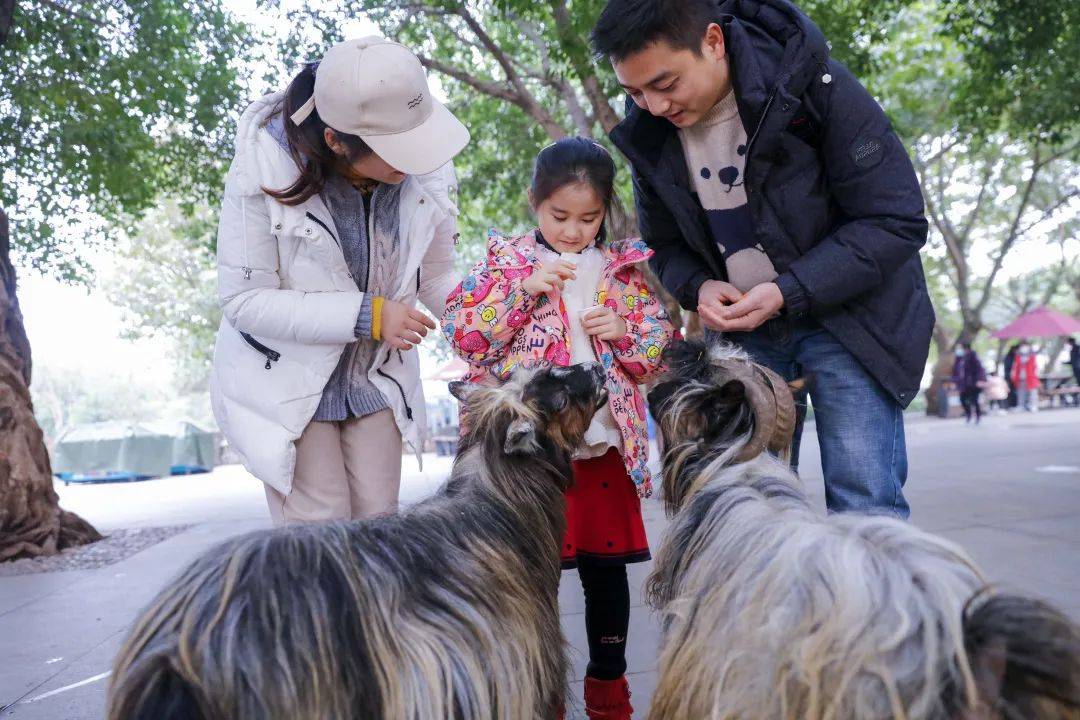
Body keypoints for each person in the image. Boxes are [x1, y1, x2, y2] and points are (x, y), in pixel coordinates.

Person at [593, 0, 932, 518]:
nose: (654, 106)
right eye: (634, 92)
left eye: (666, 84)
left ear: (712, 42)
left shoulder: (815, 87)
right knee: (751, 508)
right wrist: (699, 287)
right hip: (746, 343)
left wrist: (788, 290)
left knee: (866, 506)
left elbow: (894, 219)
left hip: (851, 326)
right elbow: (663, 245)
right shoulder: (650, 135)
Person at [443, 137, 675, 720]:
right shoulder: (504, 263)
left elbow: (653, 354)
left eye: (589, 218)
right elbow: (466, 337)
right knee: (527, 576)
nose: (574, 231)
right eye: (560, 216)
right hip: (525, 459)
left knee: (606, 574)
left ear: (606, 211)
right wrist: (523, 293)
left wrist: (624, 330)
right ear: (534, 203)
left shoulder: (623, 271)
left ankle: (609, 696)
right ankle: (539, 698)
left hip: (601, 450)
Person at [210, 37, 469, 525]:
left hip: (374, 379)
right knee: (320, 538)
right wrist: (367, 315)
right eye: (396, 151)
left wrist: (492, 323)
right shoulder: (263, 164)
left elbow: (436, 277)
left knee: (378, 528)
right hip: (288, 381)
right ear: (337, 141)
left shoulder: (425, 165)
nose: (414, 161)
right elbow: (243, 298)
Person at [951, 342, 986, 424]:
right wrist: (954, 381)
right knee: (962, 400)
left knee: (974, 400)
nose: (959, 350)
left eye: (961, 348)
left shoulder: (973, 356)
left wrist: (979, 380)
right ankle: (968, 414)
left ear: (966, 349)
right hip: (963, 384)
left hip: (973, 383)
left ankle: (978, 416)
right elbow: (955, 372)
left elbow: (979, 369)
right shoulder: (959, 359)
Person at [1010, 343, 1040, 412]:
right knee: (1021, 392)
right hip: (1021, 377)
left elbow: (1035, 367)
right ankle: (1021, 405)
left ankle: (1033, 405)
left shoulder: (1032, 357)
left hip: (1031, 378)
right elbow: (1015, 368)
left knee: (1033, 393)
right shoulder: (1017, 358)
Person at [1002, 343, 1020, 409]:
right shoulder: (1009, 357)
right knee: (1011, 391)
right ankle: (1012, 405)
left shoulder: (1016, 356)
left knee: (1014, 391)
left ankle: (1014, 404)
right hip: (1009, 376)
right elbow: (1009, 367)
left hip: (1014, 376)